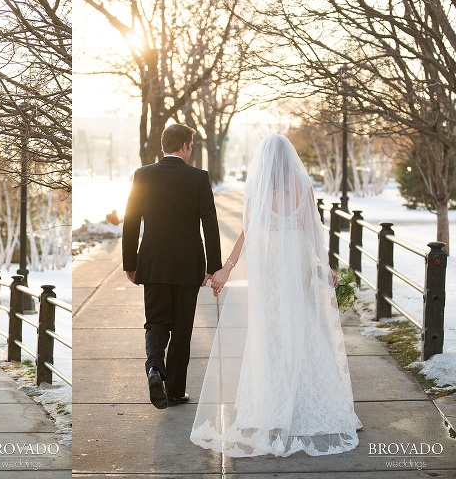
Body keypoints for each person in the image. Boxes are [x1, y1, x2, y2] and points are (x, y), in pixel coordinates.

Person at [191, 134, 361, 456]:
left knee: (269, 325)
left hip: (270, 262)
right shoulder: (303, 187)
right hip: (295, 255)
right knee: (303, 320)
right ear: (290, 159)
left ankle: (268, 404)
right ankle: (312, 400)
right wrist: (323, 267)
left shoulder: (255, 189)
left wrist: (228, 266)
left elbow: (248, 231)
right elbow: (313, 231)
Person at [122, 123, 222, 409]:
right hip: (188, 265)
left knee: (155, 321)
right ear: (186, 146)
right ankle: (175, 391)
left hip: (152, 262)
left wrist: (131, 262)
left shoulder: (143, 175)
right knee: (181, 329)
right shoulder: (198, 178)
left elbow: (131, 220)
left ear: (164, 145)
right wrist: (213, 266)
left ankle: (154, 367)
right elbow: (210, 223)